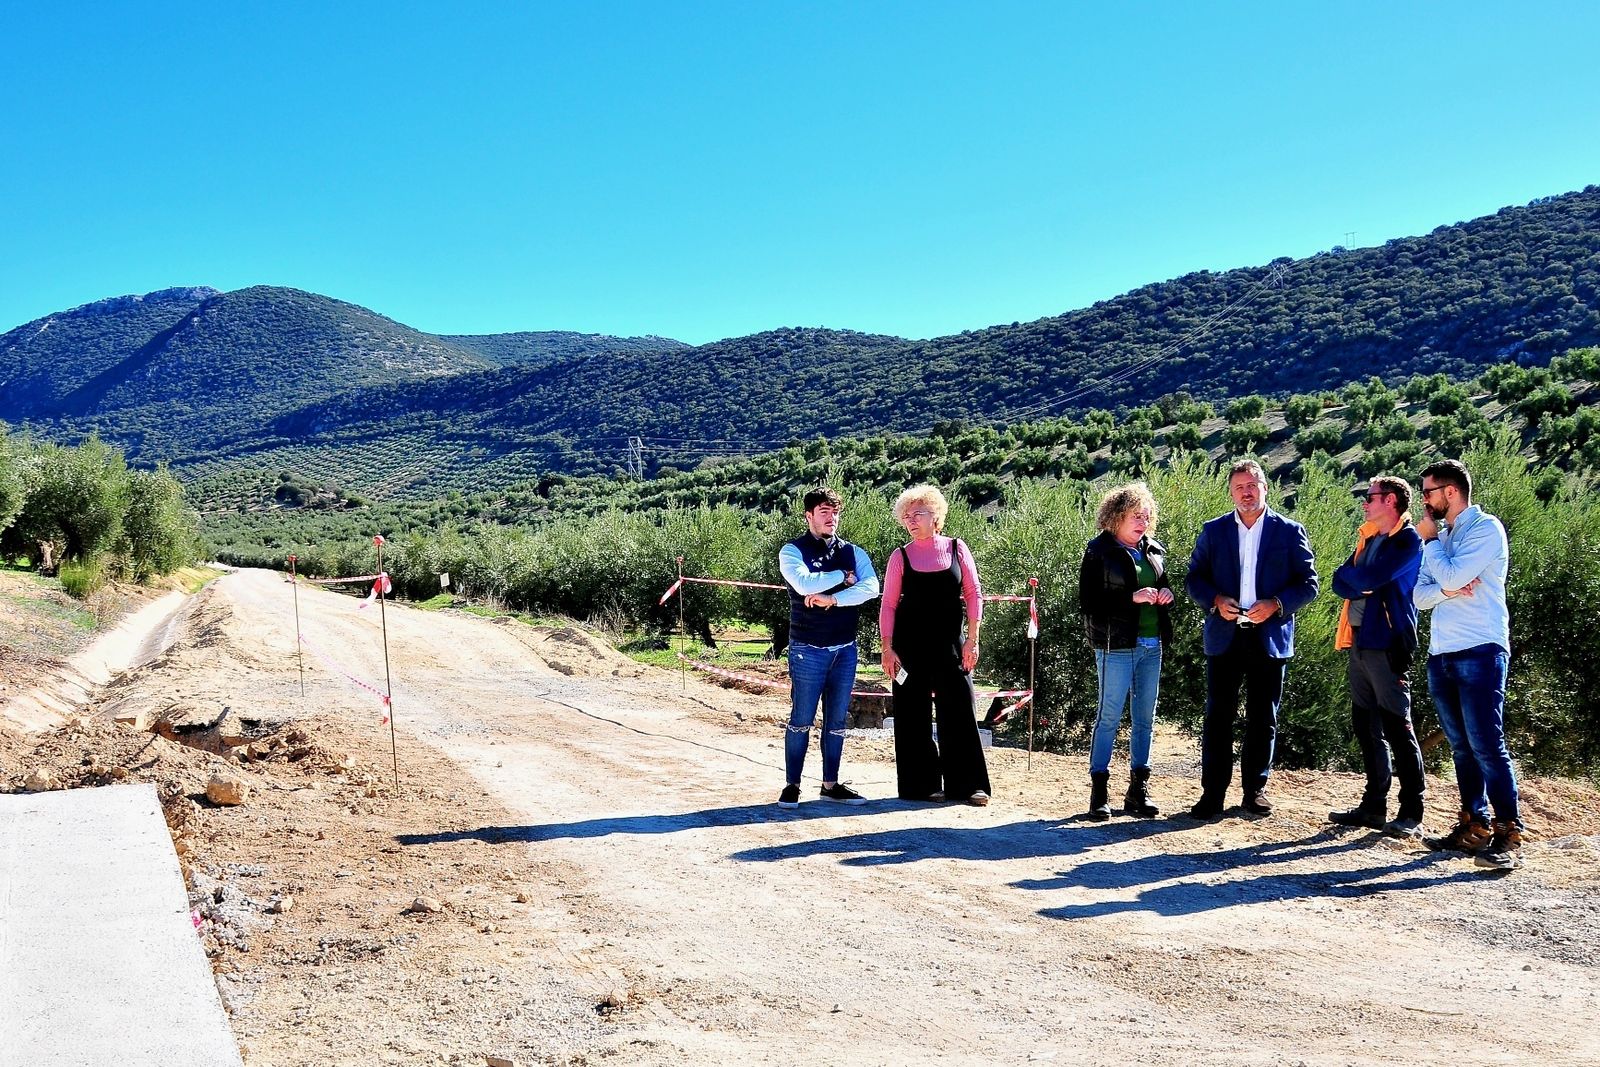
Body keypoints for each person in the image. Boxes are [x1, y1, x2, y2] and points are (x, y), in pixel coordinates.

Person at [1183, 459, 1319, 819]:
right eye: (1239, 486)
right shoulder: (1214, 531)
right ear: (1230, 491)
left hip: (1269, 637)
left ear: (1265, 487)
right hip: (1224, 636)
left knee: (1263, 717)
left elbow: (1309, 584)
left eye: (1252, 485)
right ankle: (1212, 793)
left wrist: (1276, 604)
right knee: (1218, 717)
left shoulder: (1289, 531)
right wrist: (1214, 600)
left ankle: (1254, 791)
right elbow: (1194, 578)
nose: (1246, 492)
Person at [1413, 459, 1522, 870]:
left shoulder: (1485, 529)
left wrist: (1430, 546)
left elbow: (1453, 572)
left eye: (1428, 492)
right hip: (1442, 651)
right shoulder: (1445, 537)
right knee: (1461, 746)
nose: (1424, 501)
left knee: (1487, 744)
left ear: (1451, 491)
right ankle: (1474, 826)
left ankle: (1509, 832)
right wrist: (1449, 588)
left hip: (1481, 648)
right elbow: (1419, 597)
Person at [880, 485, 992, 806]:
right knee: (912, 715)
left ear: (937, 516)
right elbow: (888, 605)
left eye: (918, 514)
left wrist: (973, 639)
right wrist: (887, 648)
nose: (911, 520)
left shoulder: (958, 549)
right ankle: (922, 785)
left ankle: (968, 786)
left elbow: (973, 594)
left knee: (960, 709)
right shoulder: (899, 557)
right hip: (909, 648)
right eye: (906, 516)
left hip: (952, 646)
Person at [1328, 476, 1426, 836]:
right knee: (1365, 726)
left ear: (1390, 500)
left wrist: (1361, 579)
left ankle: (1412, 811)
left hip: (1387, 644)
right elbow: (1340, 580)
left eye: (1369, 496)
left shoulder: (1408, 541)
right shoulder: (1368, 537)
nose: (1364, 502)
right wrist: (1360, 580)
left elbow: (1374, 576)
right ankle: (1373, 807)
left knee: (1398, 727)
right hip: (1358, 642)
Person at [776, 486, 881, 808]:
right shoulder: (792, 551)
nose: (831, 518)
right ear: (809, 515)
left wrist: (834, 598)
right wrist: (844, 577)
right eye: (824, 512)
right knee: (801, 718)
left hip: (845, 650)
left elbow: (872, 588)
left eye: (835, 512)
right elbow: (804, 584)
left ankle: (830, 785)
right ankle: (792, 785)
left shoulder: (854, 551)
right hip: (807, 649)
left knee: (836, 721)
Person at [1077, 481, 1174, 820]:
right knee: (1109, 717)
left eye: (1147, 516)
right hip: (1115, 644)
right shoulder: (1097, 551)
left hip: (1152, 642)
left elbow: (1162, 583)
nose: (1142, 522)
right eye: (1136, 515)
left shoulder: (1153, 549)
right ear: (1116, 516)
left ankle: (1138, 790)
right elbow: (1087, 602)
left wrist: (1166, 595)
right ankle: (1099, 791)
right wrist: (1129, 599)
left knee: (1145, 719)